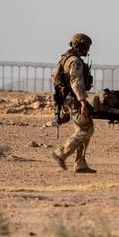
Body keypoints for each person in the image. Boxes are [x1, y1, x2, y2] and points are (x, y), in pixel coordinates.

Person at [51, 33, 96, 173]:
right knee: (86, 129)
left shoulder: (66, 58)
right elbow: (75, 82)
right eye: (86, 48)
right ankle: (61, 153)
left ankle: (80, 164)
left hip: (67, 99)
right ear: (80, 46)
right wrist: (83, 102)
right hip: (74, 100)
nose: (87, 51)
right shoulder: (76, 62)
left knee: (82, 129)